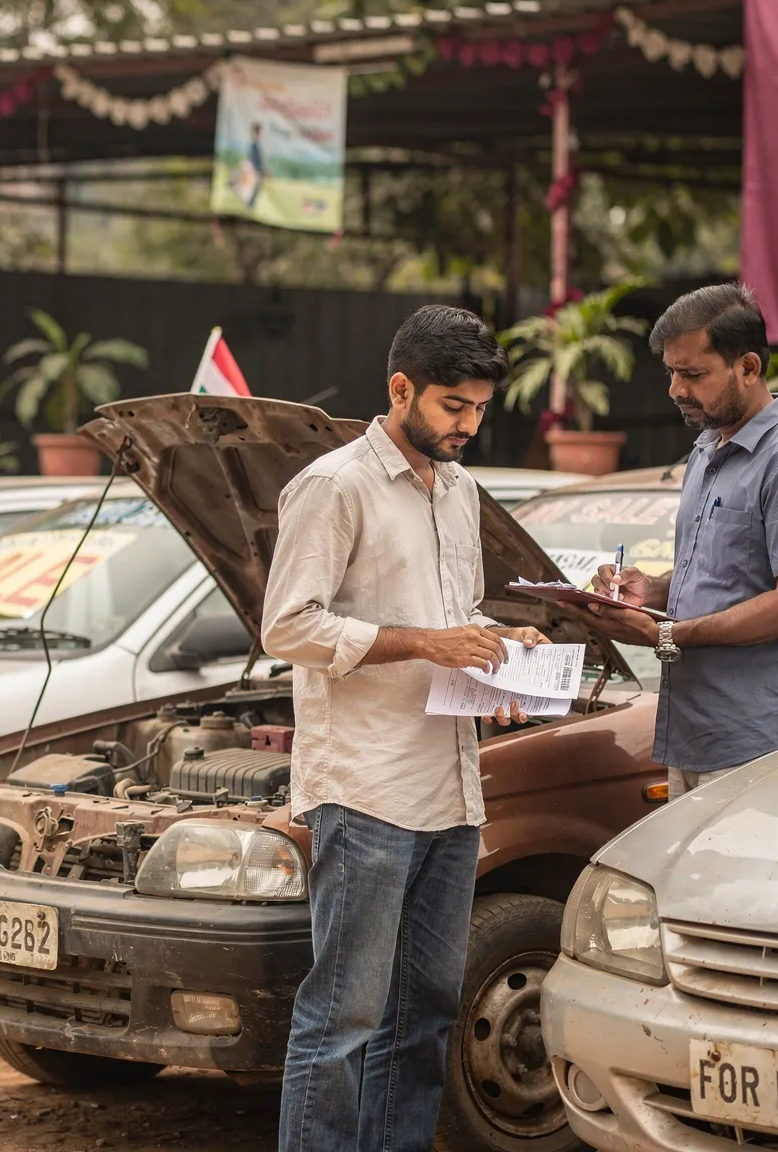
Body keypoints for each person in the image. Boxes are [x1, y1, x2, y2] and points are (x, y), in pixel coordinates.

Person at [262, 304, 546, 1152]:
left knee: (424, 1011)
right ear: (400, 388)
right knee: (342, 1017)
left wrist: (502, 644)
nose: (468, 426)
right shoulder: (334, 485)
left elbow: (450, 615)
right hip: (366, 790)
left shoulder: (460, 490)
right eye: (454, 407)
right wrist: (429, 640)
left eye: (480, 411)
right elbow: (288, 627)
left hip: (451, 790)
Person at [586, 283, 778, 794]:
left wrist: (667, 635)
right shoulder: (706, 449)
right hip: (692, 731)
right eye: (671, 372)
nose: (675, 389)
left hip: (760, 744)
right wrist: (652, 590)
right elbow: (720, 575)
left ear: (748, 367)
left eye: (693, 374)